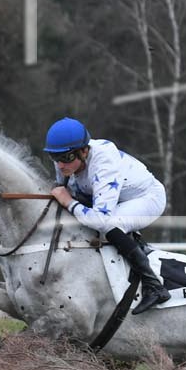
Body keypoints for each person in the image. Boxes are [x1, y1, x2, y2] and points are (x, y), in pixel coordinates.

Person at [43, 116, 171, 314]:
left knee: (109, 225)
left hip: (148, 198)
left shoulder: (104, 162)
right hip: (113, 199)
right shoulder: (65, 159)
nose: (60, 165)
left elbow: (100, 218)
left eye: (66, 158)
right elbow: (61, 188)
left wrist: (69, 202)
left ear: (84, 151)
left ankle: (154, 285)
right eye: (54, 157)